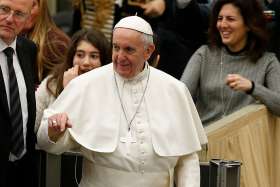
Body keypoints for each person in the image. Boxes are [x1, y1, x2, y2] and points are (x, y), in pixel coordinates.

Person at [37, 16, 207, 187]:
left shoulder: (174, 90)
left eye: (129, 50)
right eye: (116, 48)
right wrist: (53, 131)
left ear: (148, 51)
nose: (119, 56)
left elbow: (187, 158)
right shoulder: (85, 85)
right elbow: (47, 143)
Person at [180, 0, 280, 125]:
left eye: (230, 19)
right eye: (220, 18)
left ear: (249, 25)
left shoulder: (268, 61)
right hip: (207, 138)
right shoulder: (204, 54)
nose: (223, 24)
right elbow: (180, 97)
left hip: (247, 140)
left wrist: (252, 88)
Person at [35, 28, 111, 133]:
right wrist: (67, 90)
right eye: (80, 55)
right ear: (72, 57)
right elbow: (34, 125)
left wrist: (72, 91)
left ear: (103, 61)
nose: (86, 62)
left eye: (93, 56)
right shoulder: (53, 82)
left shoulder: (110, 88)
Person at [0, 0, 38, 186]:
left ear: (28, 18)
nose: (9, 19)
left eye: (19, 14)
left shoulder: (28, 50)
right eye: (3, 9)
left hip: (24, 169)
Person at [22, 0, 70, 84]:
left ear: (41, 8)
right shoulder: (11, 38)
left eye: (32, 5)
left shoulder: (56, 44)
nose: (26, 11)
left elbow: (57, 90)